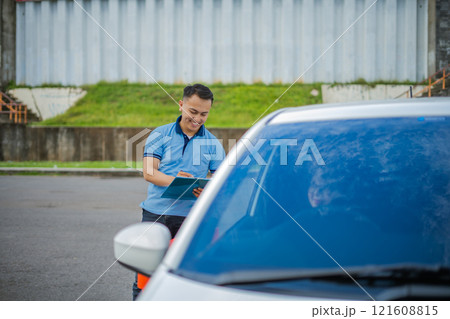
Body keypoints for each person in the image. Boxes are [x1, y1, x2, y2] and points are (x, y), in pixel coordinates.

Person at [132, 84, 225, 300]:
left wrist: (207, 192)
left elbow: (220, 182)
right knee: (145, 279)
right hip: (155, 216)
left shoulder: (212, 143)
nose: (198, 119)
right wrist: (176, 180)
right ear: (181, 105)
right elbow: (149, 172)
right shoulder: (160, 134)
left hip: (190, 219)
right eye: (193, 112)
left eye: (204, 114)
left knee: (186, 280)